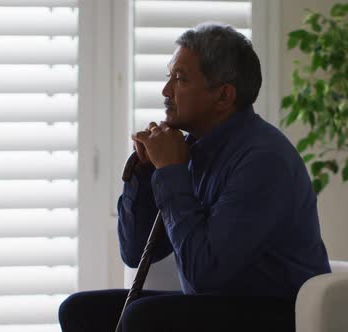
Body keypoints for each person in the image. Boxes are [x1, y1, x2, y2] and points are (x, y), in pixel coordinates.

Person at [59, 23, 331, 332]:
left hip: (280, 312)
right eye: (169, 77)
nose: (166, 92)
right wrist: (146, 170)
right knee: (81, 311)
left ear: (223, 96)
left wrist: (171, 172)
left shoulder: (263, 160)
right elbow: (134, 252)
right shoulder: (190, 149)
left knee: (142, 319)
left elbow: (204, 273)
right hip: (220, 304)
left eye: (180, 79)